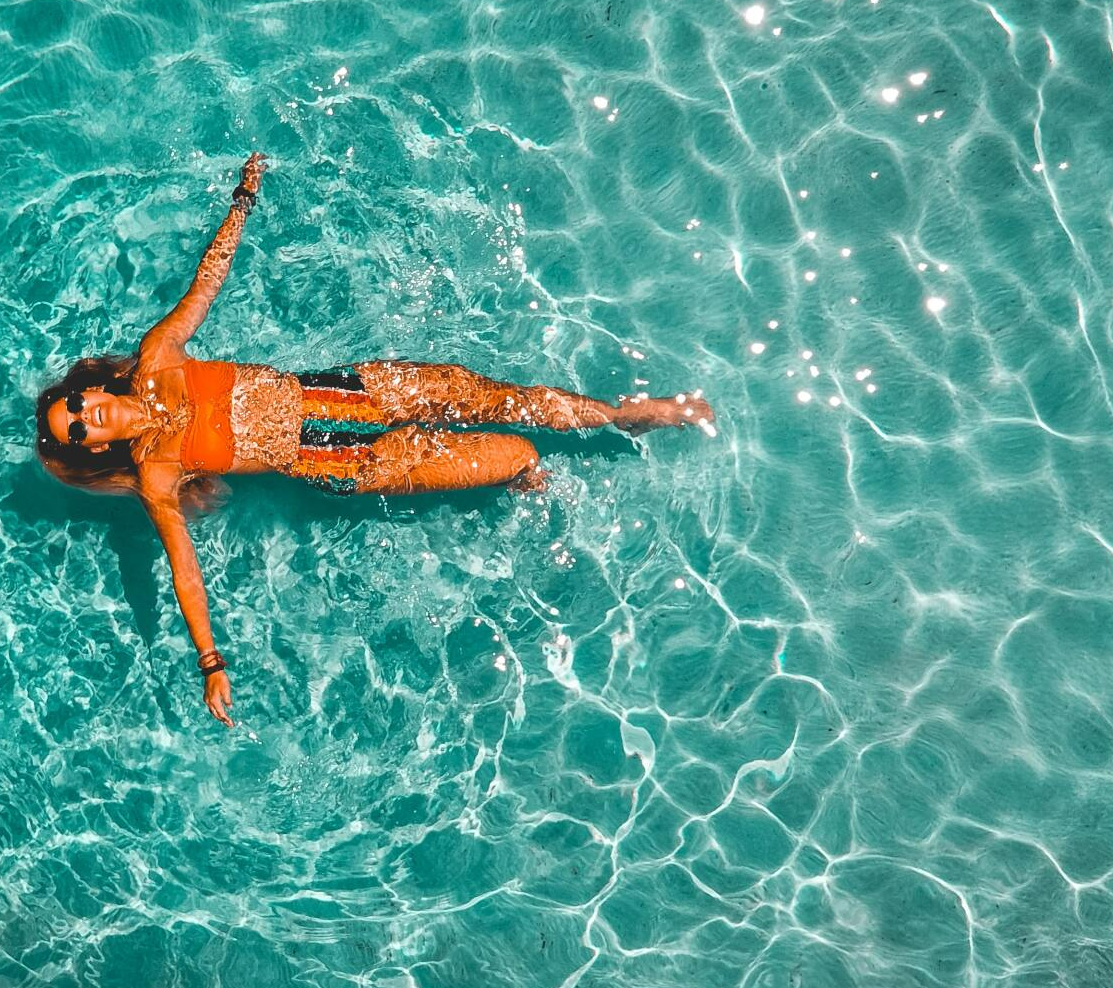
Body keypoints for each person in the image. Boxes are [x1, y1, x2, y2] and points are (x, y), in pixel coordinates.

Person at [35, 153, 713, 728]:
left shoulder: (157, 358)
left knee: (493, 397)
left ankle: (621, 416)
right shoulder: (157, 473)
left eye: (78, 406)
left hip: (349, 390)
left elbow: (203, 288)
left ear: (91, 390)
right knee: (521, 453)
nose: (88, 418)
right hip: (345, 460)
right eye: (79, 432)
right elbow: (184, 570)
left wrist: (241, 202)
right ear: (92, 449)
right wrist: (211, 660)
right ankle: (521, 473)